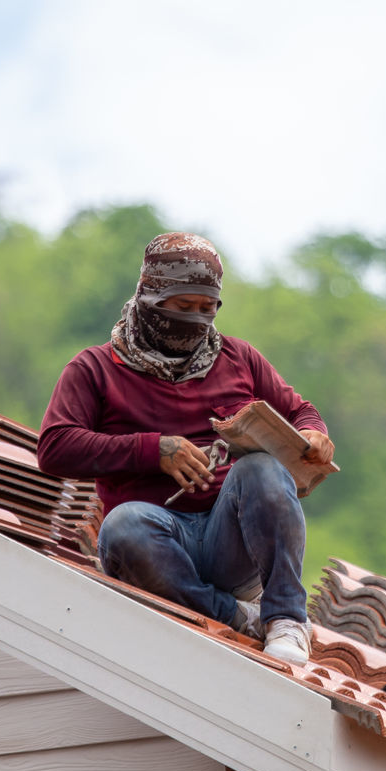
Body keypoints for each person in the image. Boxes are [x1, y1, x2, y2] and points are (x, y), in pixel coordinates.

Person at [37, 232, 335, 664]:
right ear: (150, 298)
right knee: (121, 525)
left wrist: (314, 433)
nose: (197, 319)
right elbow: (55, 446)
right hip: (155, 543)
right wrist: (153, 450)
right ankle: (236, 616)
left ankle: (286, 618)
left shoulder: (240, 359)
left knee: (262, 470)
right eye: (183, 307)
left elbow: (301, 411)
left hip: (229, 540)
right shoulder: (94, 369)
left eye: (207, 308)